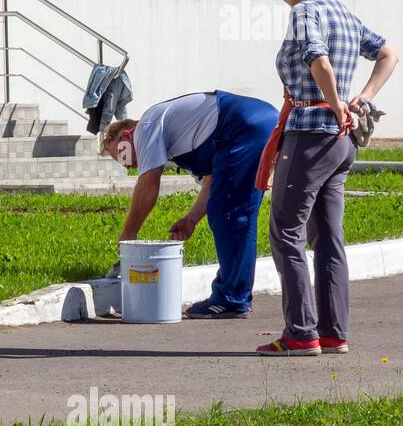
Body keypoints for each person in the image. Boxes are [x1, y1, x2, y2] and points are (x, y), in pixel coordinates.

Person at [255, 0, 398, 356]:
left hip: (309, 136)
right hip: (341, 143)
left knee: (285, 232)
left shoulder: (304, 13)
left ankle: (300, 333)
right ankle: (334, 333)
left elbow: (318, 58)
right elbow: (390, 53)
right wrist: (361, 100)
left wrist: (336, 102)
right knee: (329, 238)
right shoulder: (343, 12)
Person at [103, 91, 278, 319]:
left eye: (122, 155)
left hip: (242, 124)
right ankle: (235, 295)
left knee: (231, 213)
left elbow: (148, 185)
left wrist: (128, 234)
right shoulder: (176, 141)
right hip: (252, 122)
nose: (127, 165)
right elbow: (212, 179)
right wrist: (191, 218)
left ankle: (232, 299)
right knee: (228, 208)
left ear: (126, 135)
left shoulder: (146, 126)